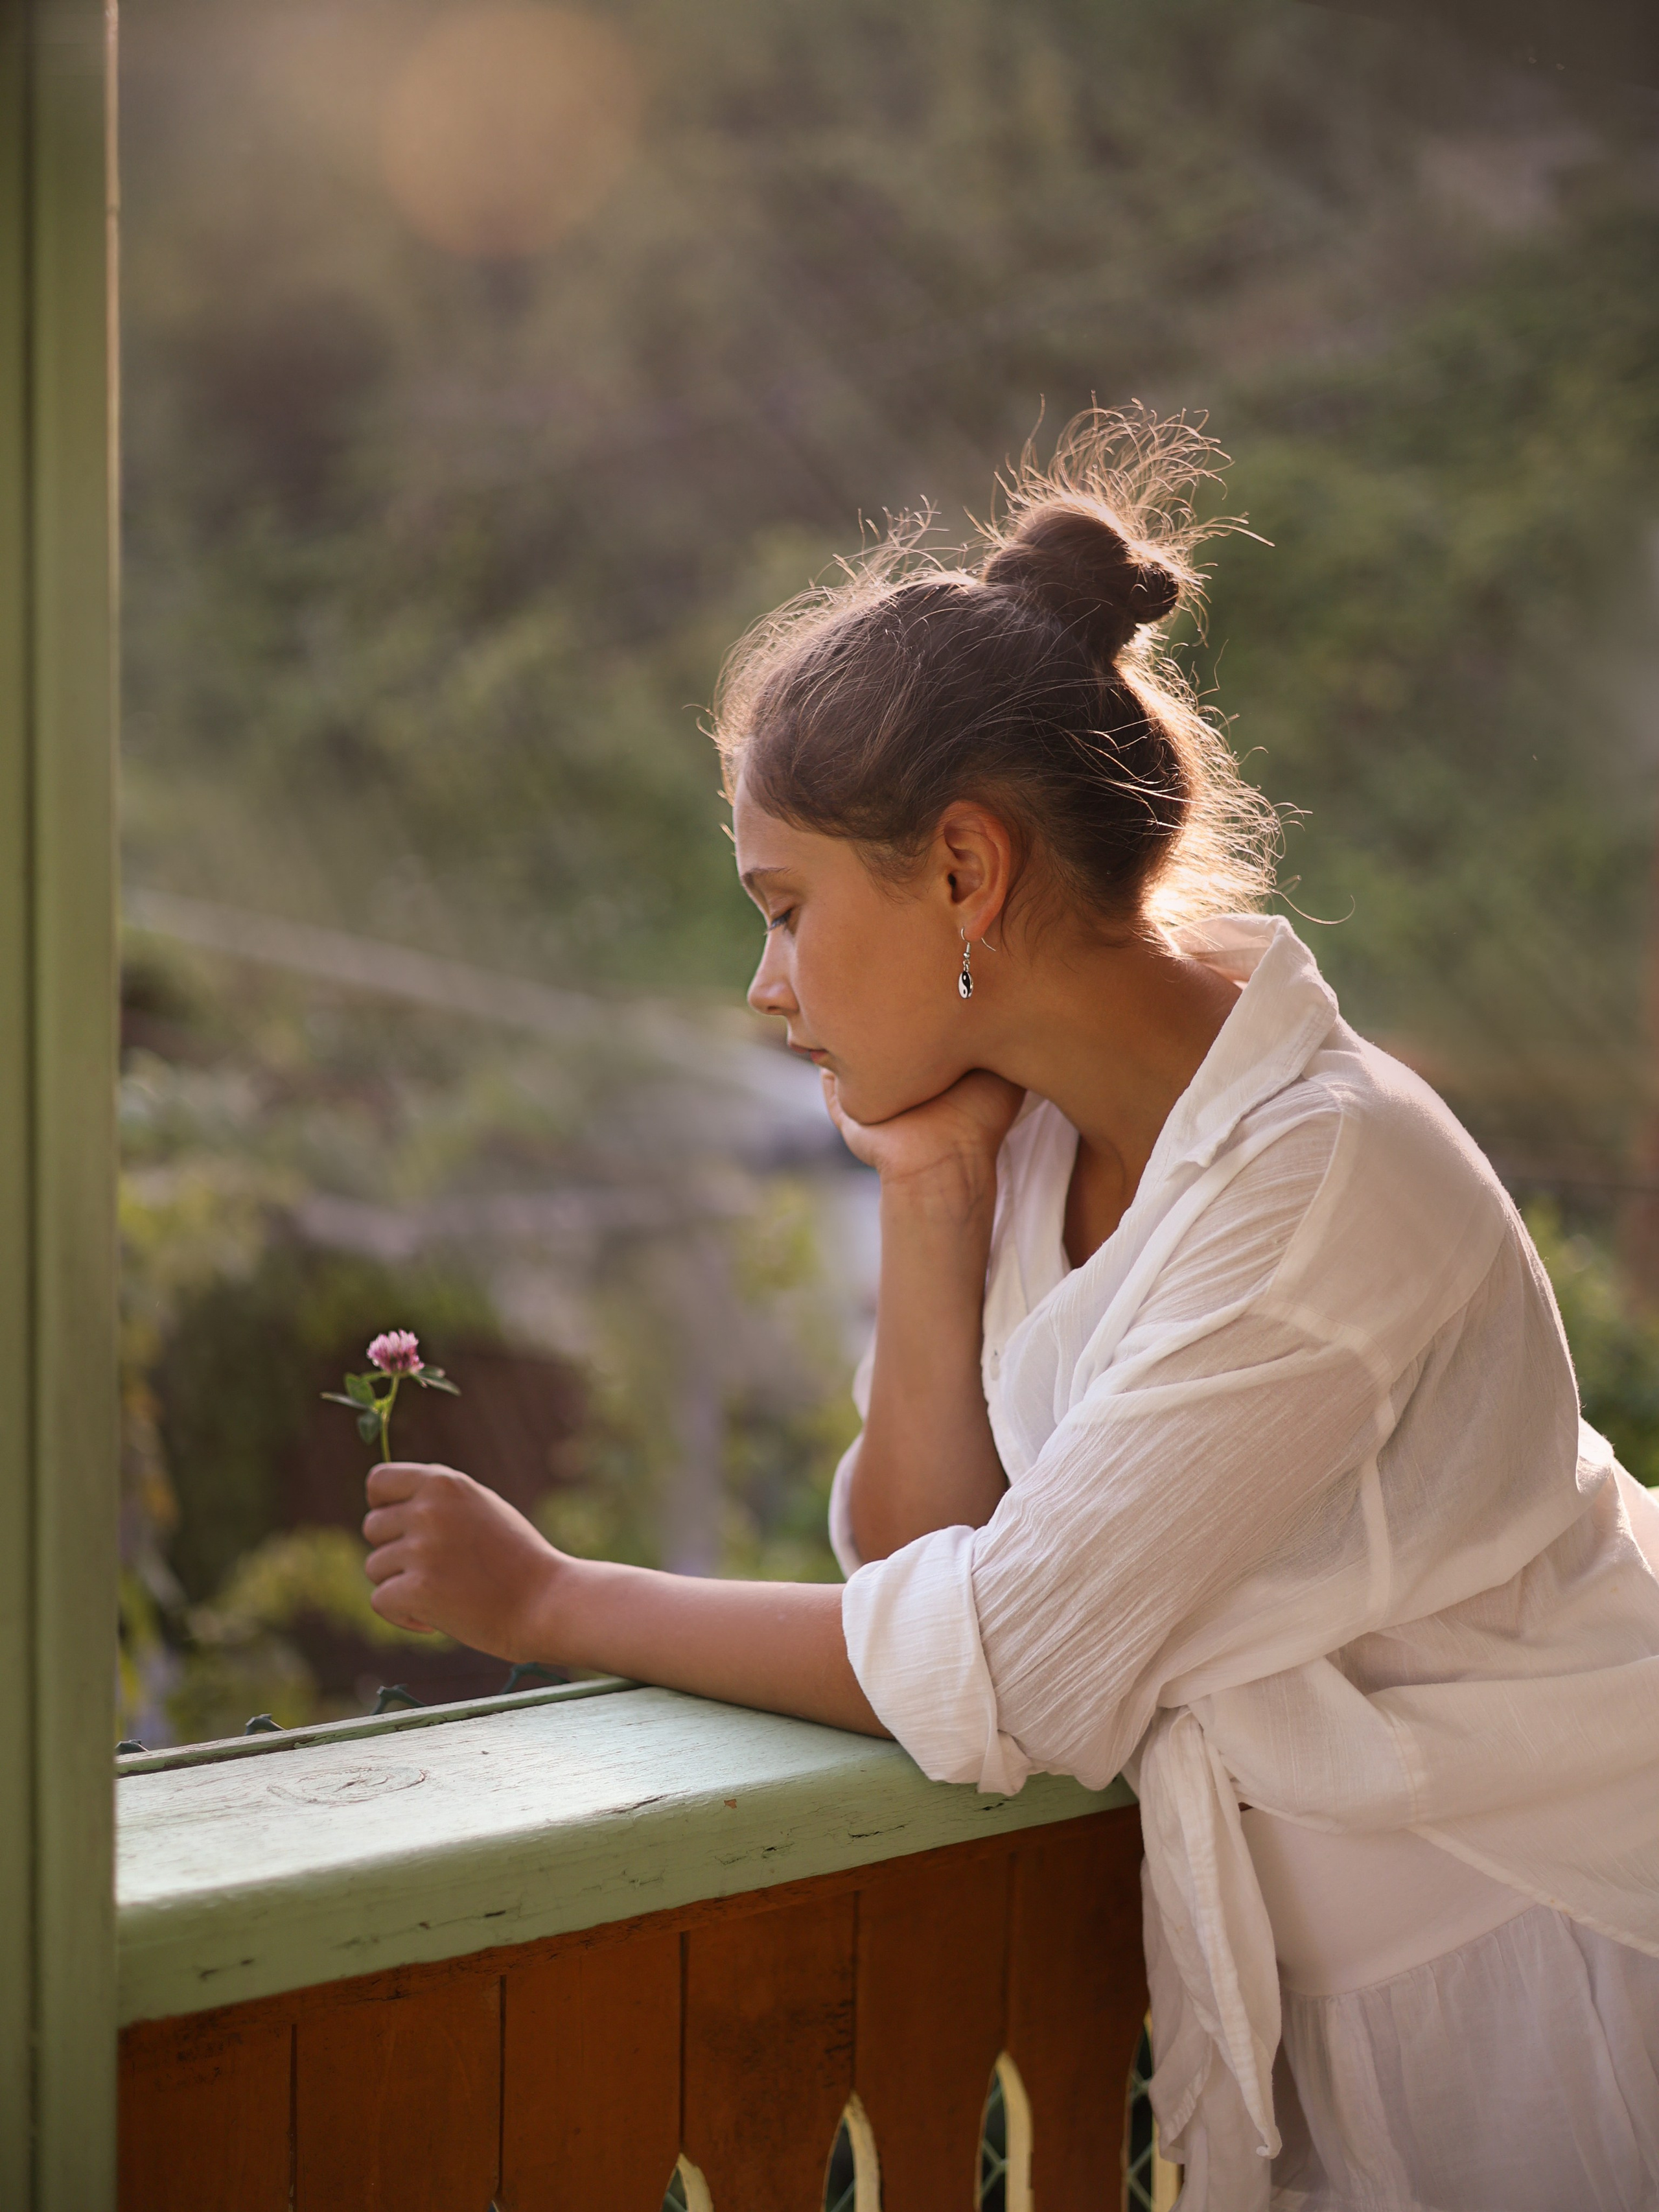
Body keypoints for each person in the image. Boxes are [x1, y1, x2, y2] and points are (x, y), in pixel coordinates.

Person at [360, 411, 1659, 2211]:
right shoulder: (1047, 1138)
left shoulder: (1321, 1185)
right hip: (1355, 1967)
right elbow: (928, 1553)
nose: (764, 986)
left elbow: (1011, 1666)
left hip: (1552, 1940)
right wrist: (937, 1191)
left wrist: (559, 1600)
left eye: (789, 909)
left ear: (963, 871)